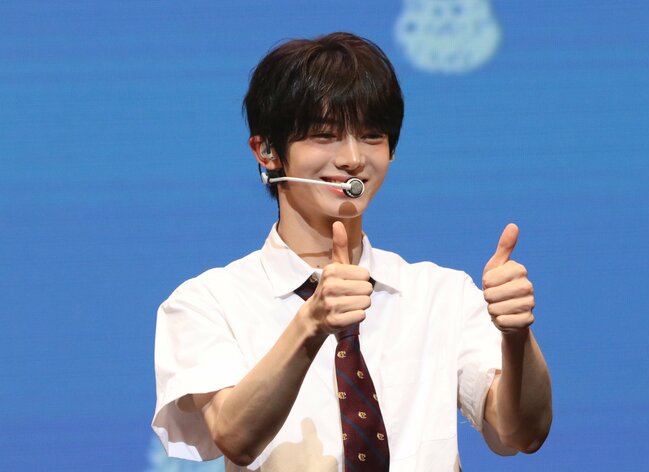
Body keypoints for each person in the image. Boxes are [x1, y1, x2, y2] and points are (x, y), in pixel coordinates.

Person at [152, 32, 552, 472]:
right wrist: (311, 324)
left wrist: (517, 336)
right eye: (324, 135)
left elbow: (522, 433)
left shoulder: (444, 295)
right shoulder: (208, 302)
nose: (352, 158)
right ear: (266, 152)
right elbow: (235, 437)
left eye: (371, 135)